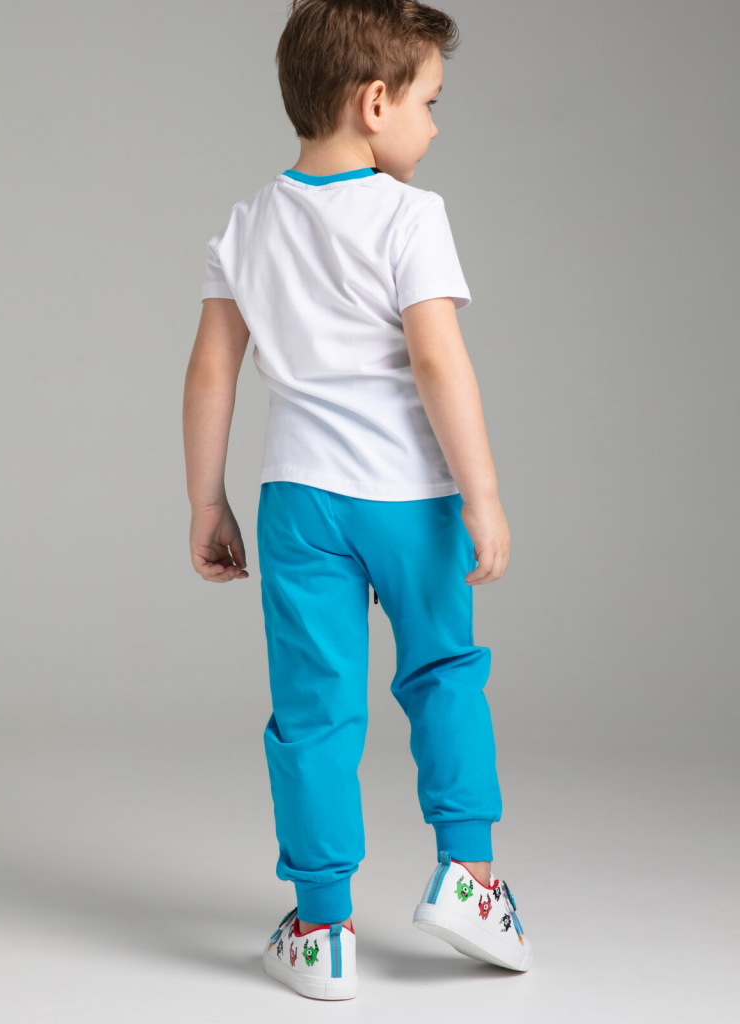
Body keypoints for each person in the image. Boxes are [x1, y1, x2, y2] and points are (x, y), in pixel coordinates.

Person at [183, 0, 533, 1001]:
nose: (436, 126)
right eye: (430, 102)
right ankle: (470, 882)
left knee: (313, 710)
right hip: (411, 499)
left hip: (299, 504)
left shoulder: (248, 223)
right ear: (375, 103)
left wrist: (206, 502)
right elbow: (438, 359)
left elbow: (211, 374)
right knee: (444, 674)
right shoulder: (410, 215)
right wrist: (484, 493)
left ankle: (321, 927)